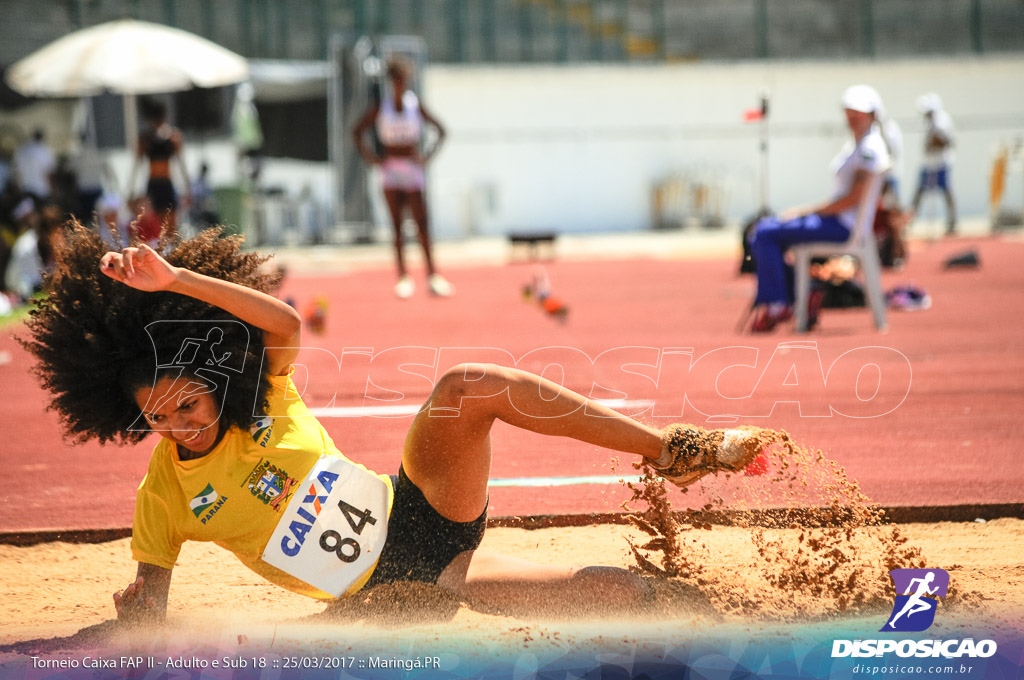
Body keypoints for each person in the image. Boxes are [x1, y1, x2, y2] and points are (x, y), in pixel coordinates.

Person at [23, 224, 764, 622]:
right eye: (157, 418)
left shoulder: (262, 399)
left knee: (465, 385)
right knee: (629, 599)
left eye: (188, 403)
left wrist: (177, 280)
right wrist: (135, 614)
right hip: (406, 581)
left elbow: (282, 321)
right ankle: (709, 608)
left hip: (422, 505)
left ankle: (676, 448)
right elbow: (152, 603)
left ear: (216, 381)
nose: (178, 424)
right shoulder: (165, 497)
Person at [747, 85, 891, 332]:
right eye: (849, 112)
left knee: (765, 232)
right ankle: (800, 295)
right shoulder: (860, 144)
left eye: (859, 113)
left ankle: (779, 304)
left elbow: (852, 199)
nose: (852, 118)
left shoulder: (869, 147)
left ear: (873, 114)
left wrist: (806, 212)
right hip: (838, 222)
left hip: (842, 226)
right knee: (767, 230)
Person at [352, 56, 454, 299]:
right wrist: (372, 158)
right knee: (397, 225)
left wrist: (426, 156)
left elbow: (440, 129)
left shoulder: (414, 105)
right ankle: (403, 277)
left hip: (411, 168)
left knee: (422, 223)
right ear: (390, 81)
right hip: (390, 169)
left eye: (403, 80)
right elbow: (357, 132)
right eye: (396, 80)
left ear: (407, 81)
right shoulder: (381, 106)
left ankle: (432, 276)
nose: (400, 85)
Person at [129, 98, 189, 240]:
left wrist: (188, 188)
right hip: (155, 184)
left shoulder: (173, 137)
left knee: (170, 224)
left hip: (165, 183)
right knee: (154, 224)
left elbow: (181, 163)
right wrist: (131, 190)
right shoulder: (146, 138)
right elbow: (137, 164)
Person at [910, 93, 957, 236]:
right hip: (928, 162)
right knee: (919, 191)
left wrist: (936, 143)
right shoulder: (926, 122)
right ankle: (910, 221)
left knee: (946, 190)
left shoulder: (942, 122)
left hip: (940, 162)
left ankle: (951, 221)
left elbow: (948, 142)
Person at [13, 129, 56, 202]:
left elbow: (17, 172)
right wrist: (52, 189)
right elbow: (49, 173)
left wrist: (18, 187)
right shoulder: (46, 152)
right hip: (40, 190)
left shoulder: (22, 150)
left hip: (24, 189)